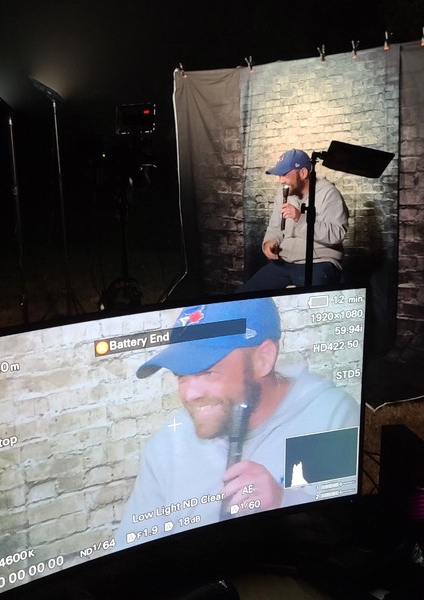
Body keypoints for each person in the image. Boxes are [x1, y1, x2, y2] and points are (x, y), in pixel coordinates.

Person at [115, 297, 359, 550]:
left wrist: (283, 502)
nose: (190, 394)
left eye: (207, 372)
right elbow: (131, 549)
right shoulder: (168, 442)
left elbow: (343, 539)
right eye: (181, 376)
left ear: (263, 359)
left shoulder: (326, 417)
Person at [239, 149, 349, 292]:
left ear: (303, 173)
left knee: (312, 299)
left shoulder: (328, 193)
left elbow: (336, 234)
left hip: (319, 262)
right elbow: (275, 228)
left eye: (285, 174)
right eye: (279, 175)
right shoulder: (283, 195)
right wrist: (269, 243)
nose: (281, 181)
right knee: (245, 295)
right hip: (285, 262)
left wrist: (300, 218)